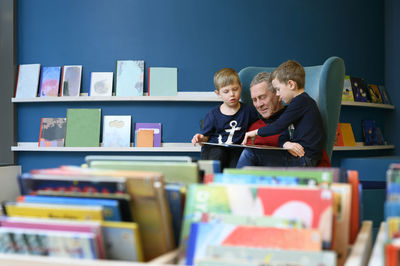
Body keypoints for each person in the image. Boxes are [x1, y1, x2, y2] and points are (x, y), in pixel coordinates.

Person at [237, 60, 325, 167]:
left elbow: (278, 126)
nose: (278, 94)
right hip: (300, 158)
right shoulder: (299, 106)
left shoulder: (301, 102)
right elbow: (284, 135)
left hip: (304, 159)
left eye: (278, 89)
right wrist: (286, 144)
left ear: (291, 84)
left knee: (250, 154)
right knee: (250, 154)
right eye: (254, 100)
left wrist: (255, 132)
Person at [192, 68, 259, 169]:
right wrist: (201, 138)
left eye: (235, 89)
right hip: (214, 149)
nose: (232, 94)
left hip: (236, 149)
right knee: (218, 153)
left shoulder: (248, 111)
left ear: (241, 87)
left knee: (239, 159)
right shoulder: (213, 115)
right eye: (226, 91)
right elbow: (205, 138)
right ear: (218, 93)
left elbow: (255, 130)